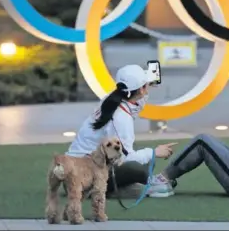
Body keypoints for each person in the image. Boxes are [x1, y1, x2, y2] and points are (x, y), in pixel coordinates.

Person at [65, 64, 178, 198]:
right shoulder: (121, 118)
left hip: (75, 171)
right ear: (141, 90)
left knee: (142, 161)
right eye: (145, 85)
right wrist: (154, 152)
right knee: (139, 168)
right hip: (83, 178)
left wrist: (146, 88)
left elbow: (135, 104)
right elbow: (125, 158)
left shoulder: (111, 100)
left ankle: (125, 189)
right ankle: (106, 190)